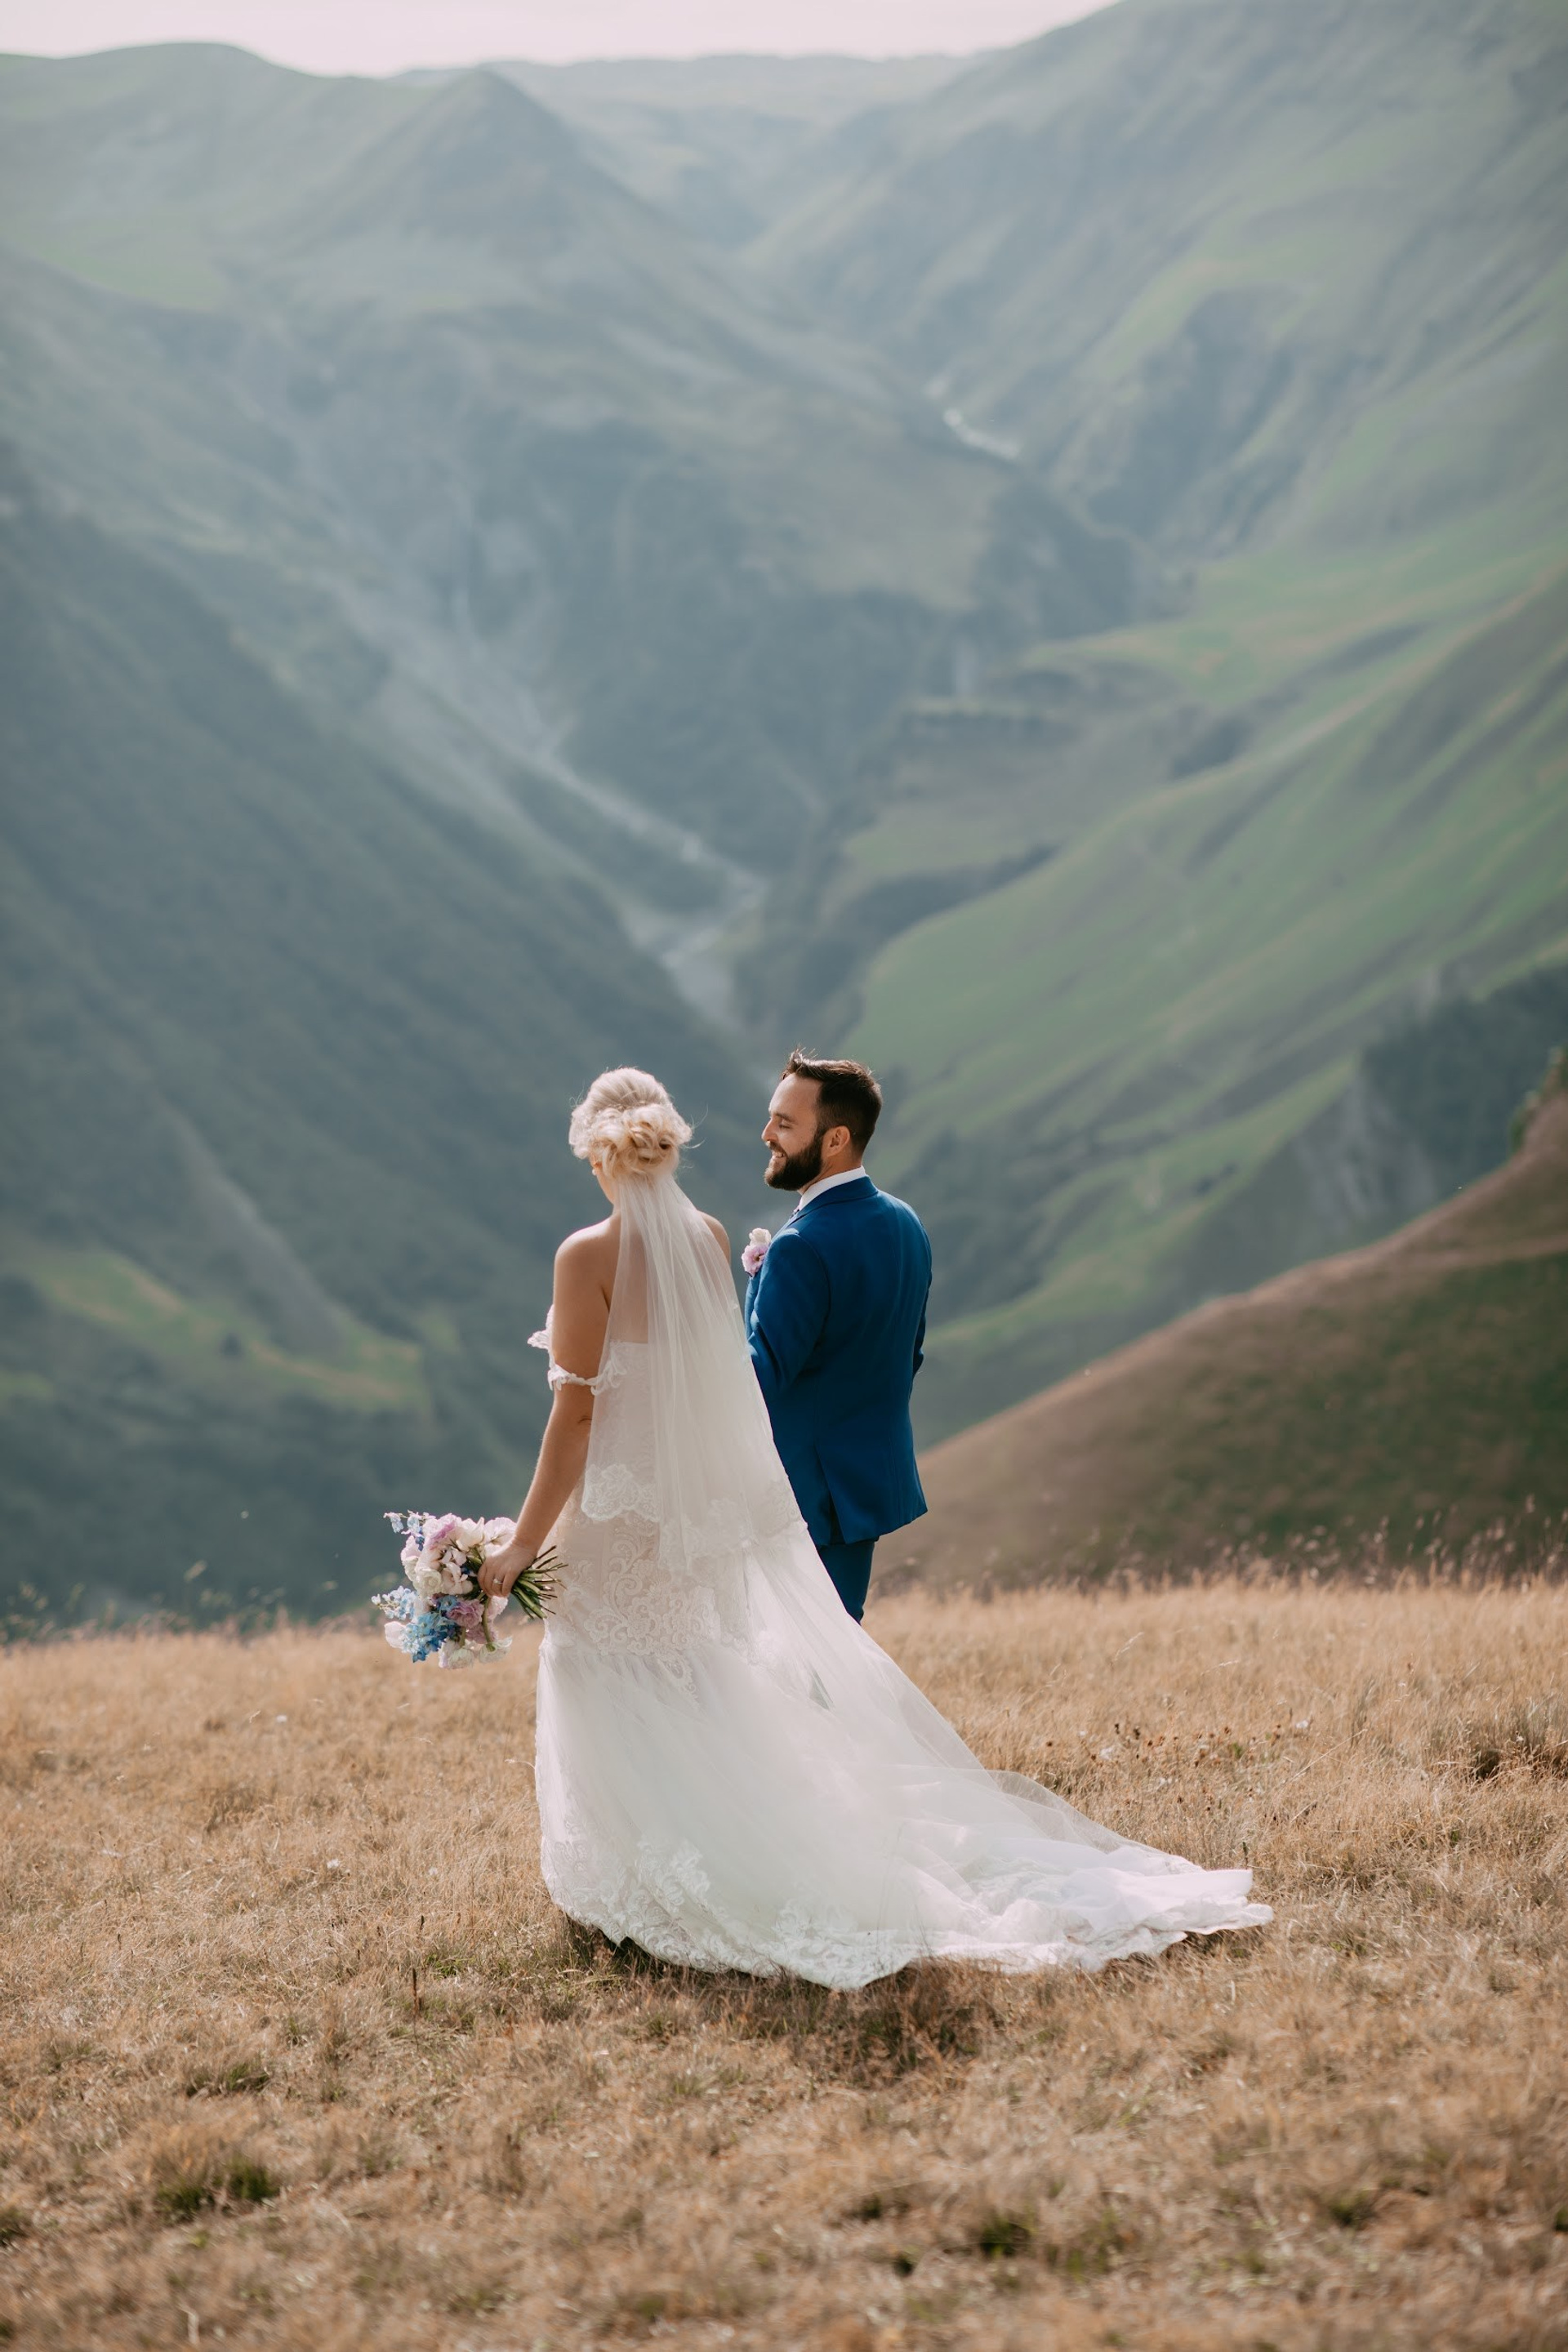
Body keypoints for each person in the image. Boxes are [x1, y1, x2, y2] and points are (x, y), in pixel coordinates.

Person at [480, 1067, 1268, 1988]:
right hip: (725, 1508)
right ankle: (712, 1853)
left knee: (617, 1681)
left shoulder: (590, 1256)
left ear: (597, 1153)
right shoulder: (721, 1240)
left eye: (784, 1121)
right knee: (704, 1684)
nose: (771, 1134)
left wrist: (521, 1546)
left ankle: (640, 1880)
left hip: (624, 1515)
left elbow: (585, 1419)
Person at [745, 1051, 929, 1622]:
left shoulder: (801, 1246)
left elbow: (759, 1380)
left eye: (785, 1123)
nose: (766, 1134)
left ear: (835, 1139)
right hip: (863, 1482)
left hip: (800, 1493)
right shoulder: (906, 1223)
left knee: (796, 1666)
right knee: (835, 1649)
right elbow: (910, 1353)